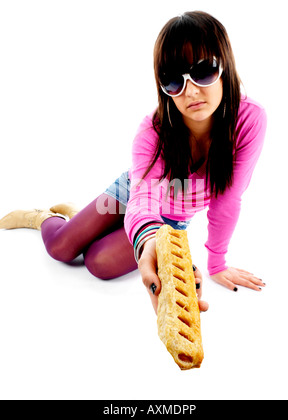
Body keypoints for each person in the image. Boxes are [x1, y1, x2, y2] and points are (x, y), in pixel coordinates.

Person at [0, 11, 267, 313]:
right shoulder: (153, 129)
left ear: (226, 65)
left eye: (203, 71)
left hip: (169, 220)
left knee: (96, 263)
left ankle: (86, 224)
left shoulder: (249, 120)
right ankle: (42, 217)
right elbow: (144, 194)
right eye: (173, 80)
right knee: (60, 248)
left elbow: (228, 198)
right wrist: (145, 235)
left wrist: (216, 262)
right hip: (132, 193)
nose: (191, 91)